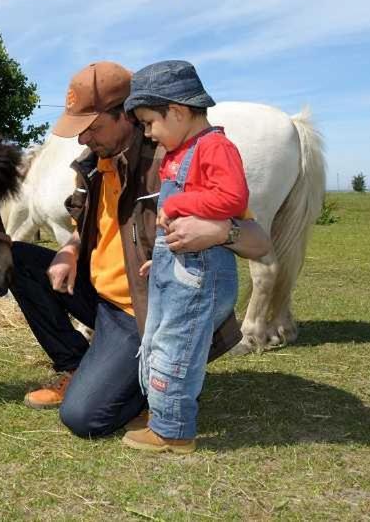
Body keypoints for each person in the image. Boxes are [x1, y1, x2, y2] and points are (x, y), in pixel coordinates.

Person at [10, 60, 270, 441]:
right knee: (17, 259)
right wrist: (70, 248)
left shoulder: (172, 160)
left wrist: (217, 230)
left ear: (127, 118)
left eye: (93, 128)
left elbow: (259, 241)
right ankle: (79, 366)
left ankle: (143, 386)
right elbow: (88, 226)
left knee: (84, 418)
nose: (84, 139)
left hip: (141, 310)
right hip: (99, 294)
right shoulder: (93, 164)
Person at [122, 60, 249, 454]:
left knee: (177, 346)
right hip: (177, 266)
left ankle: (174, 430)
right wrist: (159, 260)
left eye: (149, 123)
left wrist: (182, 203)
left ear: (176, 111)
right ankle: (160, 412)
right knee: (157, 339)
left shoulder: (215, 147)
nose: (148, 133)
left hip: (200, 271)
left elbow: (233, 198)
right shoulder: (182, 151)